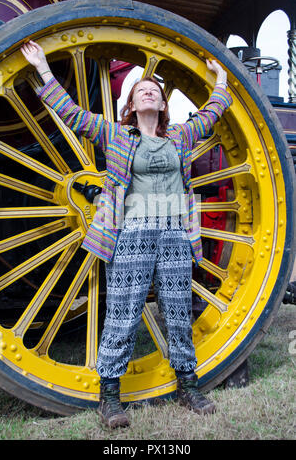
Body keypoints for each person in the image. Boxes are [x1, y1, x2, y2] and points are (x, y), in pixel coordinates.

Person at [21, 40, 232, 428]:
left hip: (174, 231)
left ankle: (188, 385)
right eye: (141, 91)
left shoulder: (181, 137)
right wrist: (44, 69)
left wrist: (220, 78)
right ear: (131, 106)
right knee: (123, 312)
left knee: (178, 311)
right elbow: (71, 114)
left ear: (164, 105)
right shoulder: (115, 134)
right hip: (132, 229)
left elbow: (214, 111)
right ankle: (111, 398)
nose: (149, 92)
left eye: (154, 90)